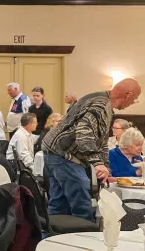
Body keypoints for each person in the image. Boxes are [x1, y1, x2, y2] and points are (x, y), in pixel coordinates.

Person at [42, 78, 142, 222]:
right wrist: (98, 163)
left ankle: (53, 239)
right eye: (135, 99)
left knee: (58, 205)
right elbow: (84, 132)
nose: (133, 102)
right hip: (64, 155)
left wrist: (106, 168)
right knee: (82, 207)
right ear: (128, 94)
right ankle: (84, 238)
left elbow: (101, 142)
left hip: (53, 152)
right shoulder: (101, 106)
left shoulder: (100, 98)